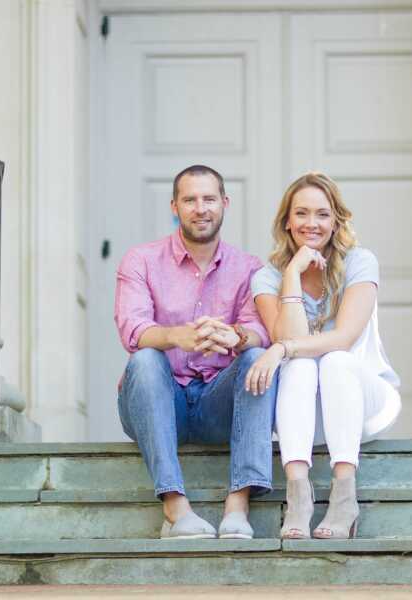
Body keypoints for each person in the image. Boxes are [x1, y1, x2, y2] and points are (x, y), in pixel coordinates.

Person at [115, 164, 276, 540]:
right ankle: (175, 508)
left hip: (217, 404)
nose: (200, 208)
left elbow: (261, 331)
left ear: (224, 203)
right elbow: (132, 330)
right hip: (159, 401)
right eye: (190, 200)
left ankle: (238, 505)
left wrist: (235, 336)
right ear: (175, 206)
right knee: (145, 358)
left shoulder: (249, 267)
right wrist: (176, 336)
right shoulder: (140, 260)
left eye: (208, 199)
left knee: (257, 358)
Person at [246, 172, 401, 539]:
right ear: (287, 221)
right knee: (299, 366)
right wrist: (293, 276)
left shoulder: (360, 262)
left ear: (336, 220)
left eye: (322, 214)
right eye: (301, 214)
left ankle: (344, 495)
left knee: (334, 359)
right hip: (302, 415)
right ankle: (299, 496)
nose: (311, 223)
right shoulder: (268, 277)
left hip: (363, 401)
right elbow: (291, 335)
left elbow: (344, 338)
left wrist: (281, 348)